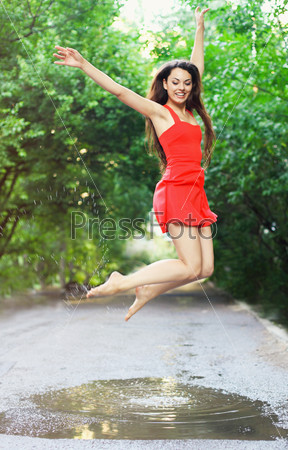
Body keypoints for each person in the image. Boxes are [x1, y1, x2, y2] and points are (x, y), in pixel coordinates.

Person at [53, 6, 217, 322]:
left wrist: (199, 27)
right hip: (176, 191)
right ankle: (123, 282)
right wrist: (84, 64)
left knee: (205, 269)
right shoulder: (160, 113)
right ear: (165, 85)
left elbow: (197, 67)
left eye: (187, 83)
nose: (182, 87)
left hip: (196, 191)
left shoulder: (190, 112)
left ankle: (147, 291)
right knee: (190, 266)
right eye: (175, 82)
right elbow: (119, 91)